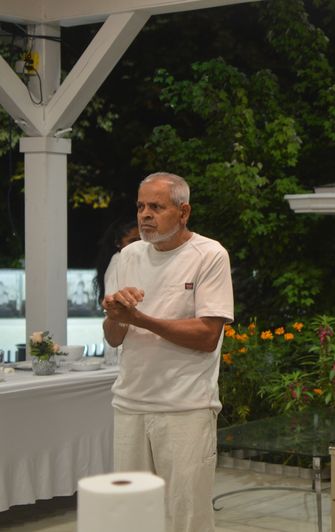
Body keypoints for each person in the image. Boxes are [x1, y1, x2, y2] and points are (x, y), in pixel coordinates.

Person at [102, 172, 234, 532]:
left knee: (187, 518)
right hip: (130, 404)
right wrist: (115, 315)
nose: (145, 215)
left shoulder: (209, 255)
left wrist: (140, 319)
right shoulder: (128, 256)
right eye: (141, 206)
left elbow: (207, 335)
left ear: (184, 212)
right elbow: (114, 338)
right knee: (129, 518)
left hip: (185, 408)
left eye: (156, 207)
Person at [94, 218, 139, 364]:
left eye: (141, 240)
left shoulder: (137, 261)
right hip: (123, 342)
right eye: (133, 241)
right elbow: (112, 305)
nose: (139, 245)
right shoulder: (118, 261)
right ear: (118, 243)